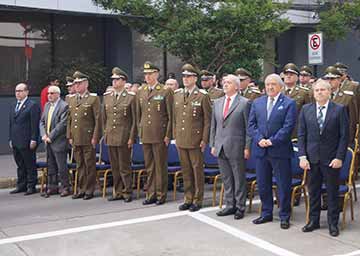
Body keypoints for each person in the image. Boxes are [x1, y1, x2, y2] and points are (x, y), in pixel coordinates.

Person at [298, 79, 349, 237]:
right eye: (317, 90)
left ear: (329, 92)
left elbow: (344, 136)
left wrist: (339, 157)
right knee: (313, 191)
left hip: (331, 159)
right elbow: (301, 135)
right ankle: (313, 221)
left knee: (332, 193)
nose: (319, 92)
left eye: (322, 90)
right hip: (312, 159)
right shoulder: (306, 109)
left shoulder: (339, 109)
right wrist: (302, 156)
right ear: (313, 93)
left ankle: (333, 223)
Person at [248, 73, 297, 229]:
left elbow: (288, 127)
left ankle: (284, 215)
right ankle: (266, 213)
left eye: (273, 84)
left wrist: (272, 140)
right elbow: (251, 125)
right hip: (261, 150)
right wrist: (259, 139)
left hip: (280, 150)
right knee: (263, 184)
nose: (269, 87)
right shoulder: (257, 103)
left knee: (283, 184)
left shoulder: (289, 103)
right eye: (268, 84)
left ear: (280, 87)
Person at [210, 74, 251, 219]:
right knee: (226, 178)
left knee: (238, 178)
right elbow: (213, 126)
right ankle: (229, 205)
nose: (225, 84)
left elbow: (248, 128)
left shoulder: (244, 103)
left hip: (237, 145)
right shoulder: (217, 102)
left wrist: (247, 147)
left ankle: (240, 206)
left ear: (236, 86)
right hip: (220, 145)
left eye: (228, 82)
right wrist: (213, 144)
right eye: (224, 82)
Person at [173, 64, 211, 212]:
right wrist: (175, 136)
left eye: (188, 76)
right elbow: (176, 118)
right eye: (184, 76)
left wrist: (204, 139)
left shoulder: (202, 95)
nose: (185, 79)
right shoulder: (177, 94)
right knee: (186, 170)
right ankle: (188, 198)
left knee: (197, 170)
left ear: (195, 78)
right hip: (182, 139)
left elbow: (208, 120)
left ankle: (198, 199)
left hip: (195, 139)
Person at [137, 61, 173, 205]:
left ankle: (160, 194)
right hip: (146, 134)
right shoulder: (141, 91)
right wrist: (140, 131)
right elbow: (139, 115)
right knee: (149, 166)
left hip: (159, 134)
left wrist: (168, 134)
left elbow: (170, 116)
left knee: (160, 166)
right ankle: (150, 193)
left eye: (150, 74)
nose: (147, 77)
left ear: (157, 74)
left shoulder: (165, 90)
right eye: (146, 74)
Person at [103, 67, 137, 202]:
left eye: (117, 80)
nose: (114, 82)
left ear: (124, 81)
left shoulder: (130, 97)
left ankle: (127, 191)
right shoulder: (107, 97)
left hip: (124, 135)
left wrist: (131, 137)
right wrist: (105, 133)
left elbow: (134, 119)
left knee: (124, 166)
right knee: (114, 166)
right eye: (113, 80)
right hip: (111, 135)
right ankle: (118, 191)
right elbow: (104, 119)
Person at [67, 71, 101, 200]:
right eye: (75, 83)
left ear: (86, 84)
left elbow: (98, 119)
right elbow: (69, 119)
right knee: (79, 164)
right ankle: (81, 188)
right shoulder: (71, 99)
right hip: (76, 137)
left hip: (88, 137)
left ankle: (89, 189)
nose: (76, 86)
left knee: (89, 164)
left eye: (79, 83)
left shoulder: (93, 98)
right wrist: (69, 135)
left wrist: (95, 137)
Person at [9, 83, 41, 195]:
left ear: (26, 92)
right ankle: (21, 185)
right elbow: (12, 124)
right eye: (16, 91)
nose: (18, 93)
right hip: (16, 140)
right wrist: (11, 139)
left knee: (29, 164)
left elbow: (35, 124)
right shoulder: (14, 105)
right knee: (20, 164)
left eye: (20, 91)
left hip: (27, 140)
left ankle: (31, 186)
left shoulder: (32, 105)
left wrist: (34, 139)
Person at [40, 85, 70, 197]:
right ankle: (52, 187)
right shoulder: (47, 105)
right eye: (48, 93)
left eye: (52, 93)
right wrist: (43, 134)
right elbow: (42, 121)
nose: (49, 96)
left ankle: (65, 187)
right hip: (48, 141)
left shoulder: (64, 106)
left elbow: (62, 125)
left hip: (59, 141)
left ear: (58, 94)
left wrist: (50, 136)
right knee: (50, 165)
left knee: (61, 166)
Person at [282, 63, 311, 138]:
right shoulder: (278, 92)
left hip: (296, 132)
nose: (288, 76)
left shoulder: (304, 93)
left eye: (291, 74)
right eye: (286, 74)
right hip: (279, 131)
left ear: (297, 77)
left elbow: (308, 114)